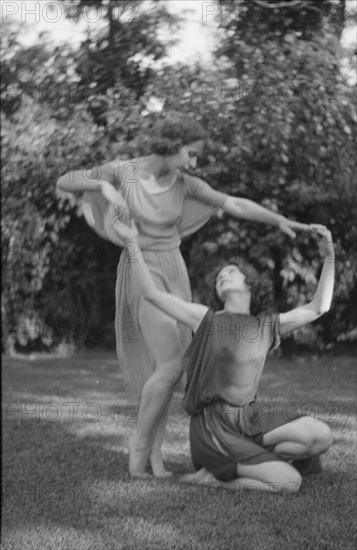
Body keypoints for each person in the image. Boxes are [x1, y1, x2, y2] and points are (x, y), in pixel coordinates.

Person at [57, 113, 311, 478]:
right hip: (140, 268)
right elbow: (65, 179)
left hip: (174, 270)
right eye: (191, 154)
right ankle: (139, 447)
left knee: (170, 370)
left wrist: (277, 220)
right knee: (171, 363)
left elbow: (234, 203)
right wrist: (105, 187)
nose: (195, 162)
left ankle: (156, 456)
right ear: (171, 145)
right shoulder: (125, 171)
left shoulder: (185, 183)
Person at [112, 216, 334, 493]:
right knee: (289, 481)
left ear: (250, 284)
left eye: (231, 272)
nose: (223, 275)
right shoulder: (204, 319)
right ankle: (213, 476)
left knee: (320, 436)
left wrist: (329, 258)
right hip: (212, 427)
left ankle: (250, 456)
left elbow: (318, 307)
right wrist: (132, 243)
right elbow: (152, 294)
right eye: (219, 277)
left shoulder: (266, 325)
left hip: (249, 419)